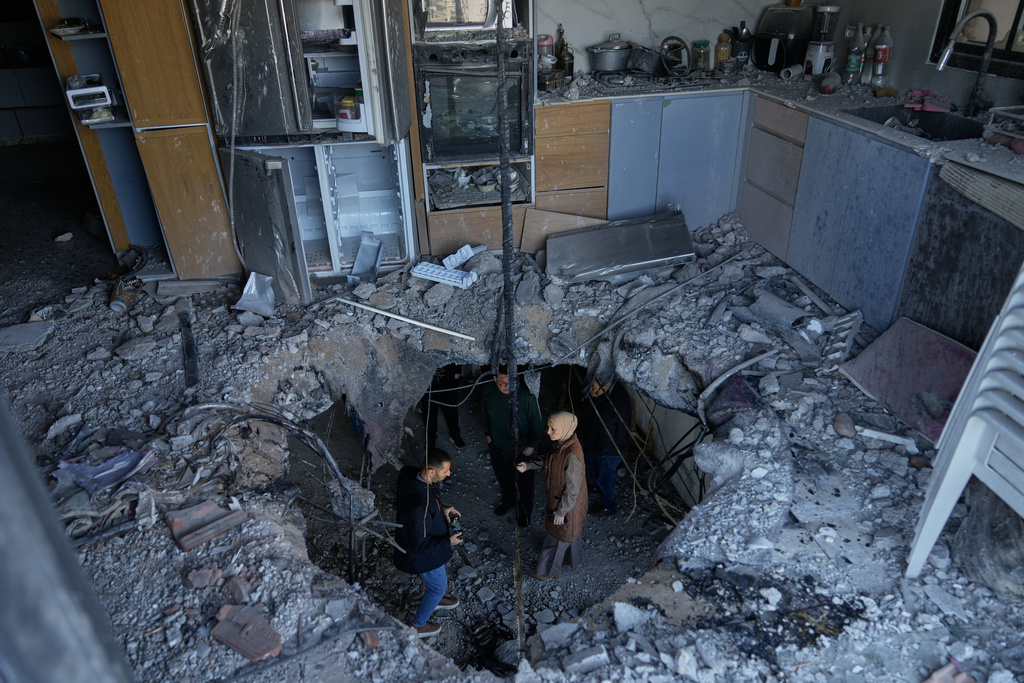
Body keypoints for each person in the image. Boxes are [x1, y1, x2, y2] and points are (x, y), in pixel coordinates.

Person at [393, 448, 463, 638]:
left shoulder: (415, 477)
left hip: (430, 544)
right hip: (423, 556)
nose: (449, 474)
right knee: (437, 586)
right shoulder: (418, 508)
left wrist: (444, 511)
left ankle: (437, 598)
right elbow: (421, 546)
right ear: (431, 471)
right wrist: (449, 541)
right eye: (445, 471)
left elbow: (431, 505)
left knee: (438, 582)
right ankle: (418, 625)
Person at [517, 411, 587, 579]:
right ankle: (570, 560)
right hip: (565, 503)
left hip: (567, 506)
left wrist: (561, 512)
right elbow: (550, 459)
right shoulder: (562, 442)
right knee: (569, 535)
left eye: (552, 429)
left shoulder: (572, 456)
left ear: (564, 428)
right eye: (548, 428)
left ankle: (548, 571)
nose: (548, 432)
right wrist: (528, 466)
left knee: (556, 538)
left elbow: (572, 490)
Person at [480, 365, 543, 527]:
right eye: (502, 383)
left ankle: (525, 511)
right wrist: (488, 435)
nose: (507, 387)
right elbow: (484, 413)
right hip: (498, 446)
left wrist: (531, 445)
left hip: (523, 448)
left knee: (525, 482)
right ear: (495, 379)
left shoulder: (525, 396)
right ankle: (508, 501)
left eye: (511, 382)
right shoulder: (488, 390)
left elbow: (536, 423)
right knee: (503, 476)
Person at [579, 376, 632, 516]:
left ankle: (609, 506)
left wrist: (598, 452)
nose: (591, 390)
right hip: (614, 444)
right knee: (599, 472)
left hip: (608, 450)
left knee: (605, 478)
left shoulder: (607, 412)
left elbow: (606, 438)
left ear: (606, 388)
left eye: (594, 388)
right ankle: (598, 487)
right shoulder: (618, 392)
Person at [423, 365, 465, 450]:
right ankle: (430, 439)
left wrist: (458, 371)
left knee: (451, 411)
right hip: (428, 382)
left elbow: (454, 352)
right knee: (429, 413)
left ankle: (454, 434)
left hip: (448, 379)